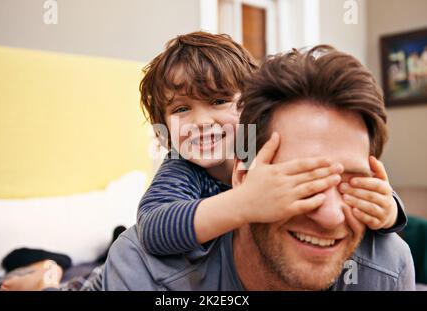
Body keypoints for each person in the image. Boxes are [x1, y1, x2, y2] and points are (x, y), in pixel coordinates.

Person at [102, 45, 415, 290]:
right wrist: (245, 204)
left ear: (247, 107)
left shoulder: (260, 143)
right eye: (182, 109)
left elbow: (369, 189)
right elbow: (153, 230)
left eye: (219, 100)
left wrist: (389, 211)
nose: (201, 122)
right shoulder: (180, 169)